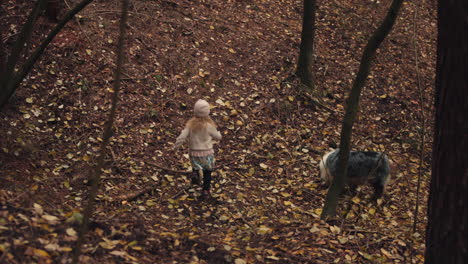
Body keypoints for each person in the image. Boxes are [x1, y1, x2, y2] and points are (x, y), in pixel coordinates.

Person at [174, 99, 222, 199]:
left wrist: (176, 147)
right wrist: (219, 134)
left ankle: (195, 173)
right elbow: (218, 137)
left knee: (196, 164)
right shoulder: (209, 126)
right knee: (207, 172)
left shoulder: (190, 125)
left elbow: (182, 136)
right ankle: (206, 190)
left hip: (194, 153)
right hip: (206, 153)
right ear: (207, 112)